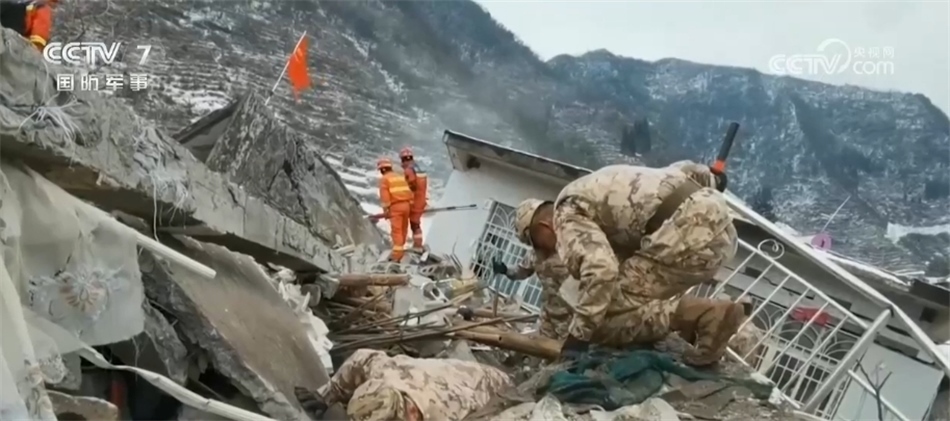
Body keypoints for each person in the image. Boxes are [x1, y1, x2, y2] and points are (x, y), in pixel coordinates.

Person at [554, 160, 743, 366]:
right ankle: (693, 320)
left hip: (686, 234)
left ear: (542, 225)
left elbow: (602, 270)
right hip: (719, 222)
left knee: (601, 316)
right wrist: (714, 180)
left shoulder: (567, 214)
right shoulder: (595, 188)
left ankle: (703, 314)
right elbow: (690, 171)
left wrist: (577, 338)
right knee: (614, 300)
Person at [294, 349, 512, 421]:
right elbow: (361, 357)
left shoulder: (448, 411)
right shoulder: (381, 371)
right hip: (441, 374)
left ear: (412, 414)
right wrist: (327, 395)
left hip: (496, 386)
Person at [491, 199, 572, 340]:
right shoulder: (535, 255)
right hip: (549, 316)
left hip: (572, 320)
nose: (533, 243)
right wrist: (505, 270)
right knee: (541, 347)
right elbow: (520, 271)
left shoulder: (572, 249)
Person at [377, 157, 413, 262]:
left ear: (383, 169)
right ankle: (401, 249)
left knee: (396, 231)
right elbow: (409, 192)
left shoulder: (385, 179)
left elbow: (385, 198)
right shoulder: (399, 177)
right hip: (406, 205)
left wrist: (386, 211)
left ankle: (397, 255)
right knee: (403, 229)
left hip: (396, 207)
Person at [399, 147, 428, 251]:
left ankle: (416, 246)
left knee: (413, 224)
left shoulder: (409, 170)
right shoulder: (419, 169)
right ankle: (417, 245)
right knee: (416, 223)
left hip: (414, 202)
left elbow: (412, 186)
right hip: (421, 200)